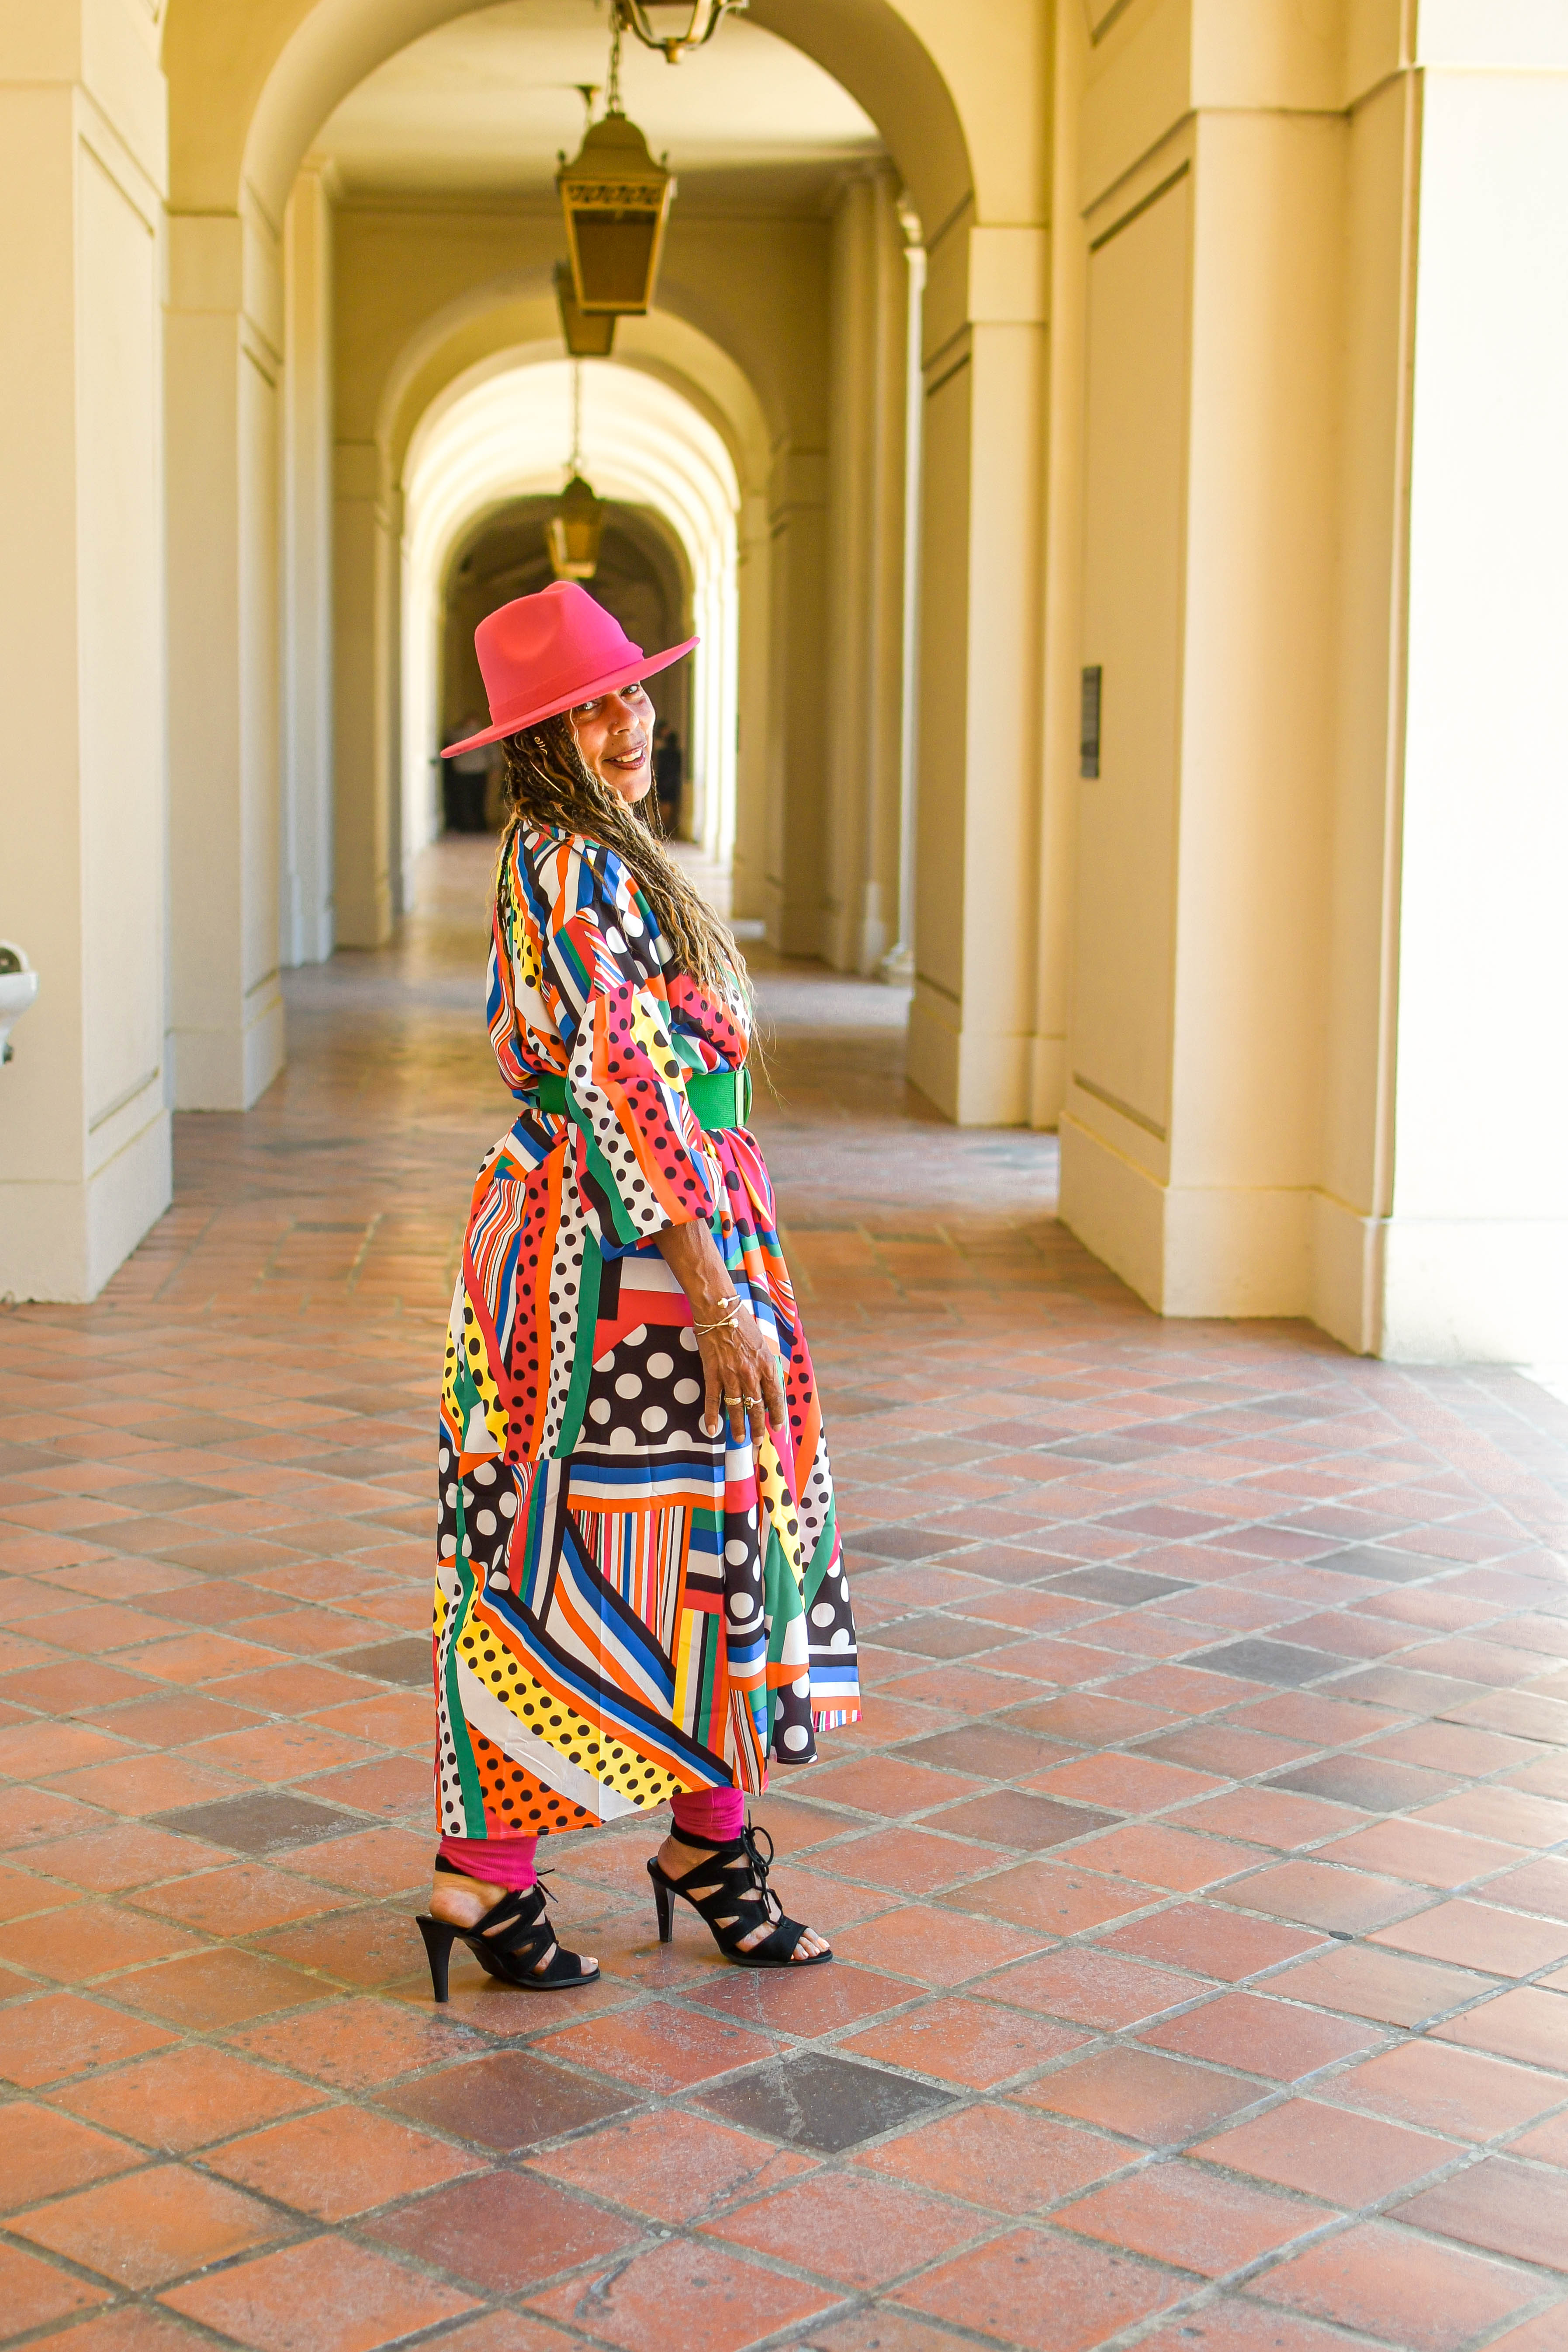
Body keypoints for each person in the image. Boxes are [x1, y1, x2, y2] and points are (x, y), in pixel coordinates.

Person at [416, 581, 858, 1996]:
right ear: (534, 743)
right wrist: (711, 1292)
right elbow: (622, 1076)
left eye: (629, 689)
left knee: (693, 1532)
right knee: (569, 1548)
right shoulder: (571, 863)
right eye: (585, 709)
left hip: (635, 1233)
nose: (626, 720)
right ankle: (489, 1878)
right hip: (615, 1255)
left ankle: (691, 1848)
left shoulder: (594, 850)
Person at [652, 719, 683, 836]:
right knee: (666, 806)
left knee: (666, 805)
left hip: (666, 780)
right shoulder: (670, 751)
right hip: (668, 780)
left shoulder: (665, 751)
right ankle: (663, 828)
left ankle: (663, 828)